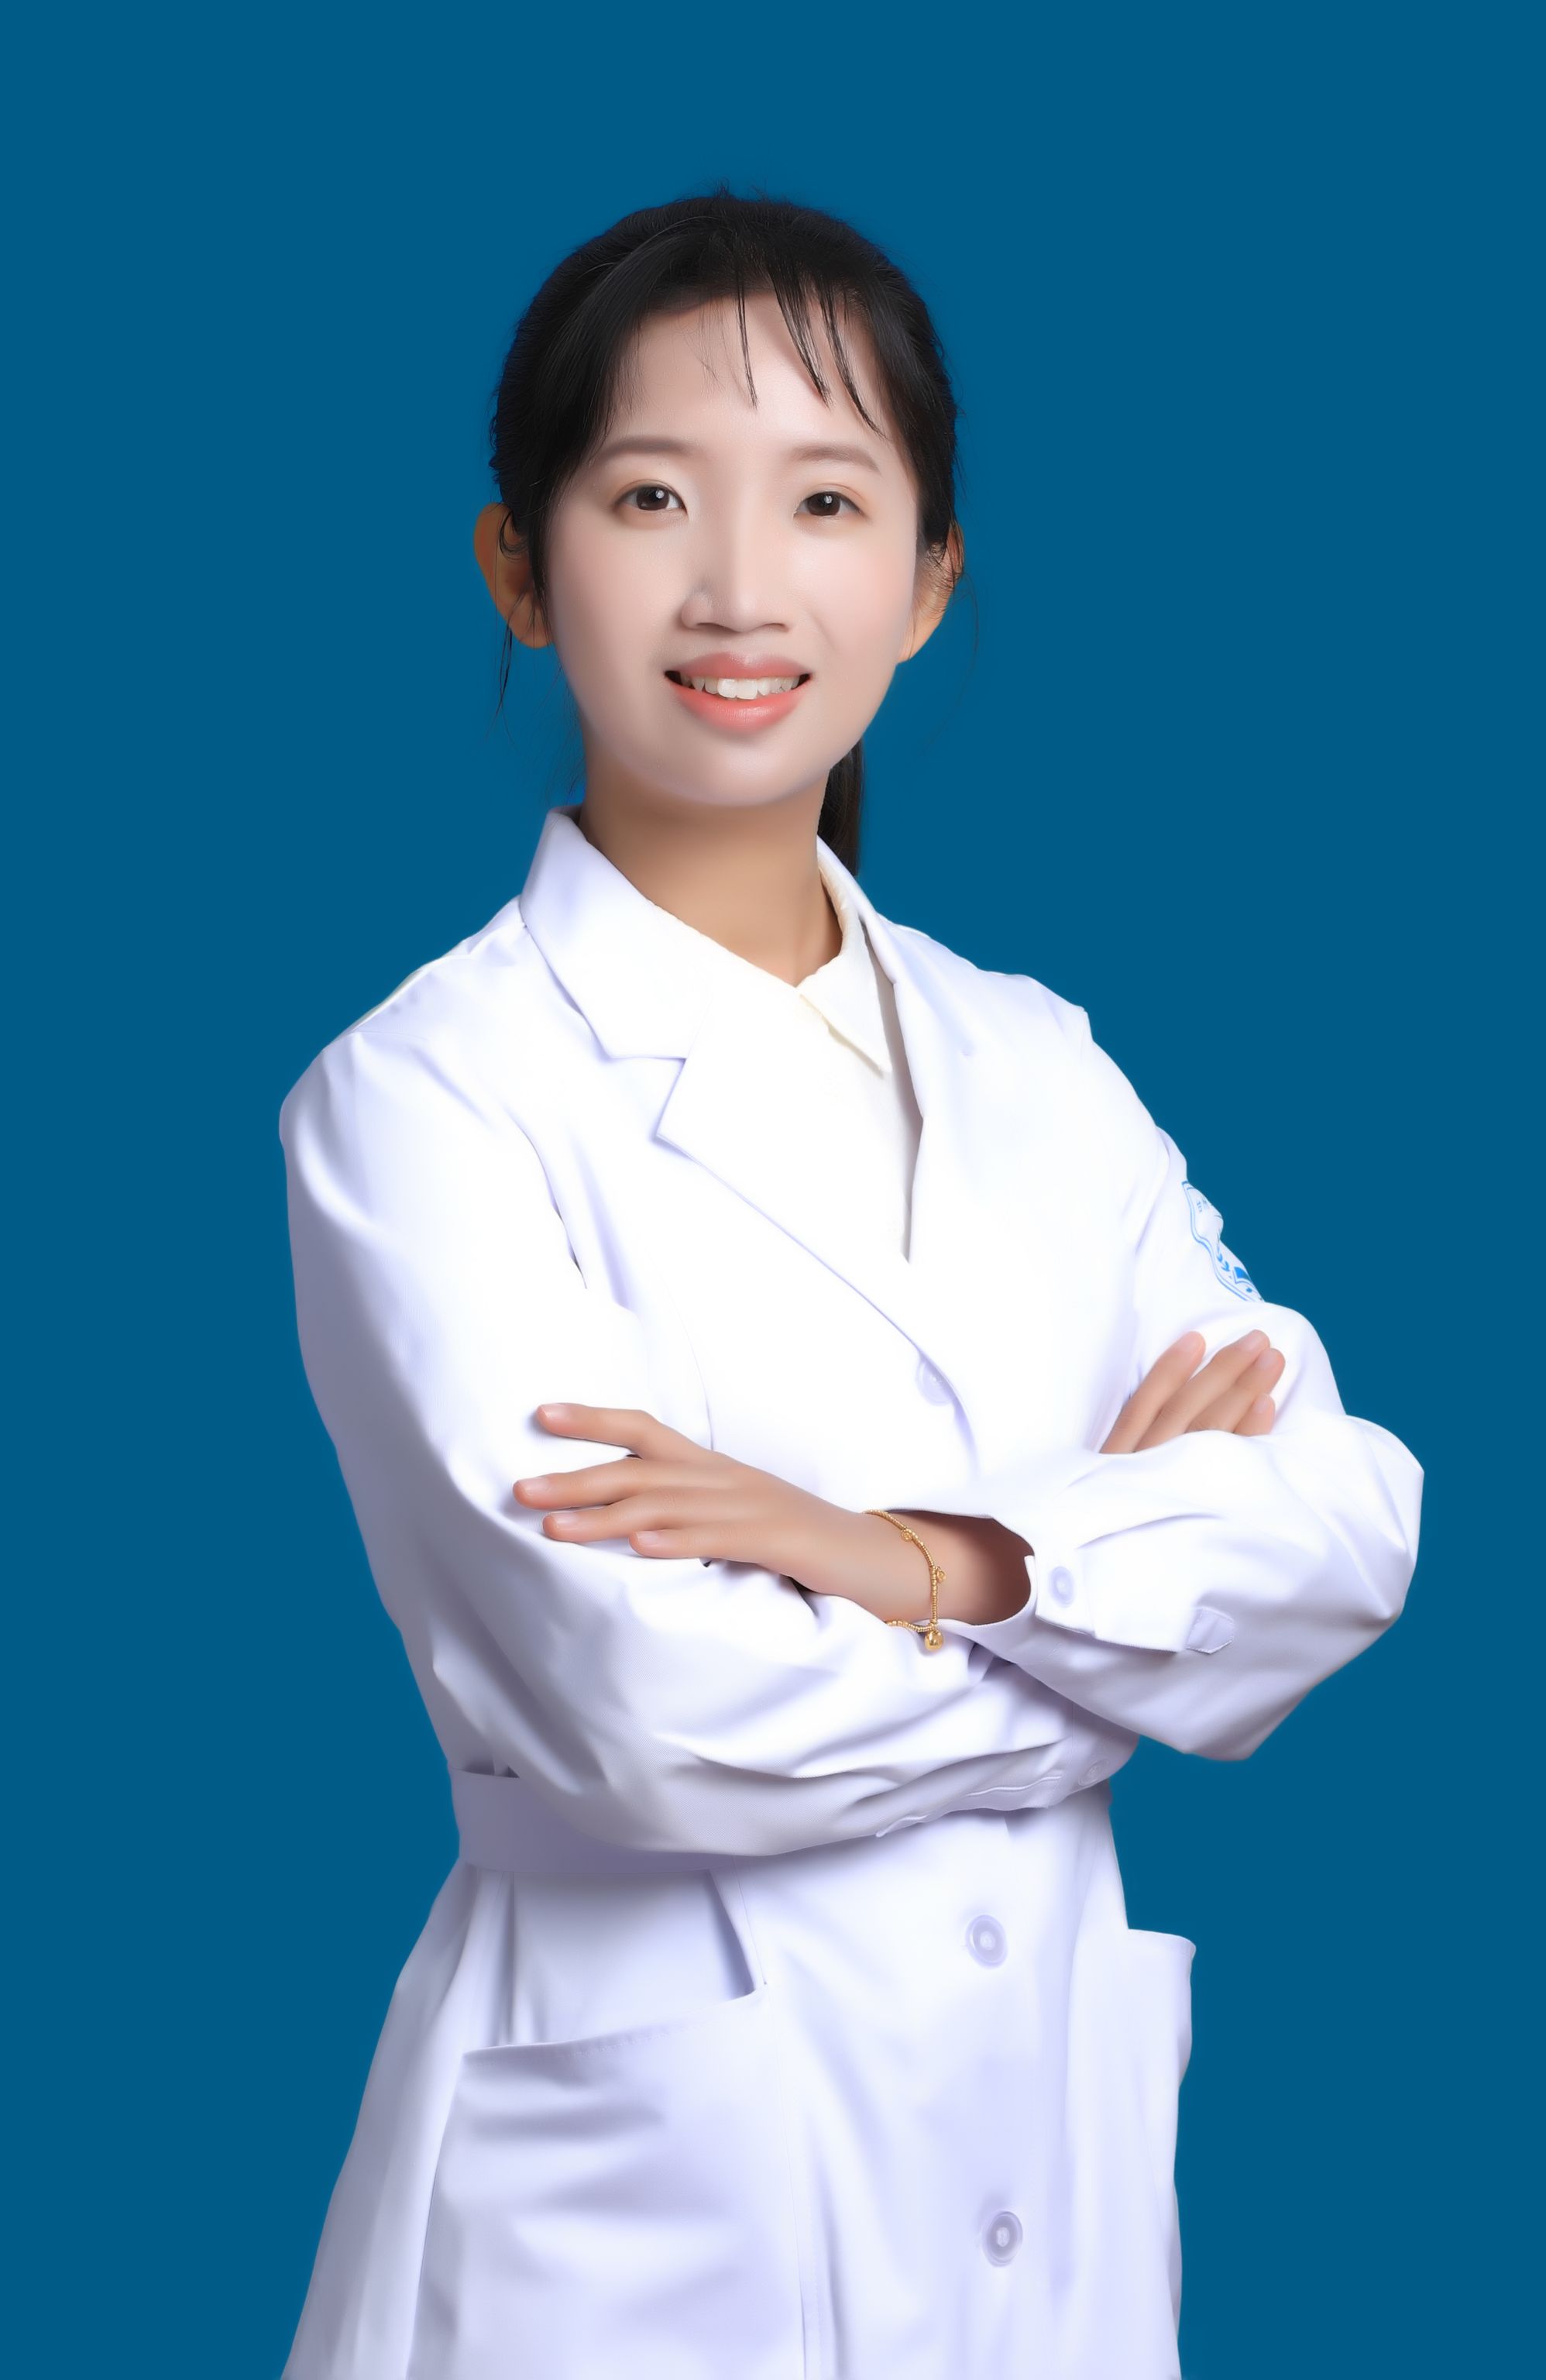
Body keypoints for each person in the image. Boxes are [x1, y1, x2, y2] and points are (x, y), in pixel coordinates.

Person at [276, 188, 1422, 2380]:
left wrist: (915, 1560)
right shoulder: (426, 1097)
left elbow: (1347, 1522)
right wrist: (1121, 1621)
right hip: (631, 2228)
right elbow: (651, 1720)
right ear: (519, 566)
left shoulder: (1035, 1064)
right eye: (648, 497)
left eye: (825, 500)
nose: (739, 586)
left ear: (927, 579)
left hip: (1036, 2180)